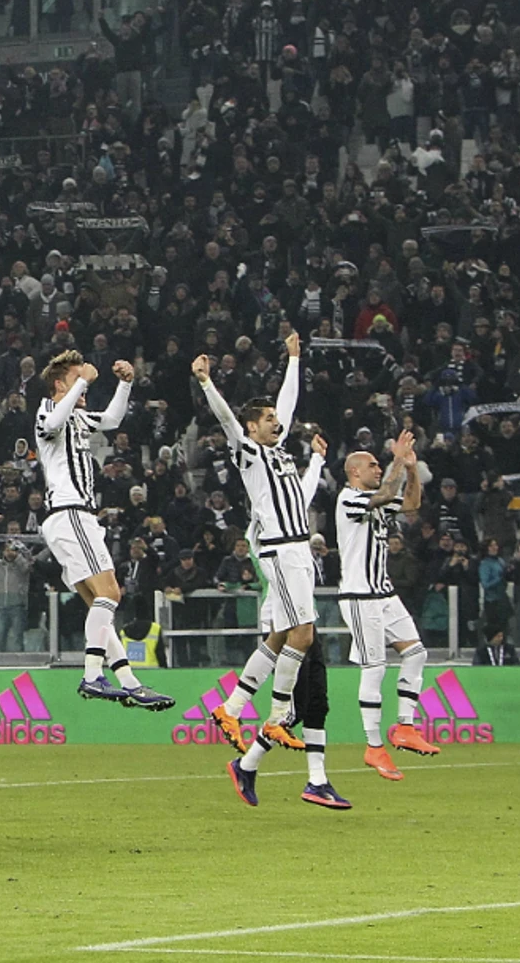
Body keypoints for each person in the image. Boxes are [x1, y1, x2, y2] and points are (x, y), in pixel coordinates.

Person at [194, 336, 338, 807]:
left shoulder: (281, 455)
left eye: (277, 419)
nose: (278, 422)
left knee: (280, 636)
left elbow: (289, 401)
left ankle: (231, 707)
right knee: (303, 636)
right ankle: (277, 714)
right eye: (269, 420)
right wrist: (207, 382)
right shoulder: (250, 453)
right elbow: (228, 422)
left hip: (298, 552)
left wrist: (295, 359)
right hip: (283, 552)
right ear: (254, 428)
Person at [34, 349, 174, 709]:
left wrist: (125, 384)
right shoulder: (48, 410)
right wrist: (83, 379)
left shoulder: (79, 417)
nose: (84, 388)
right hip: (70, 512)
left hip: (76, 517)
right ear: (59, 383)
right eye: (76, 379)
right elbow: (50, 427)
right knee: (111, 592)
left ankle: (128, 681)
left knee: (99, 601)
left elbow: (111, 420)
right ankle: (93, 673)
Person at [336, 431, 439, 781]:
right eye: (373, 465)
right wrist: (397, 458)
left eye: (381, 464)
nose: (378, 469)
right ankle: (373, 745)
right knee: (375, 666)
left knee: (417, 652)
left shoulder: (376, 498)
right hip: (360, 596)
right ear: (355, 472)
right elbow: (385, 494)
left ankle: (405, 728)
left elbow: (410, 504)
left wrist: (410, 469)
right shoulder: (349, 499)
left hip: (383, 593)